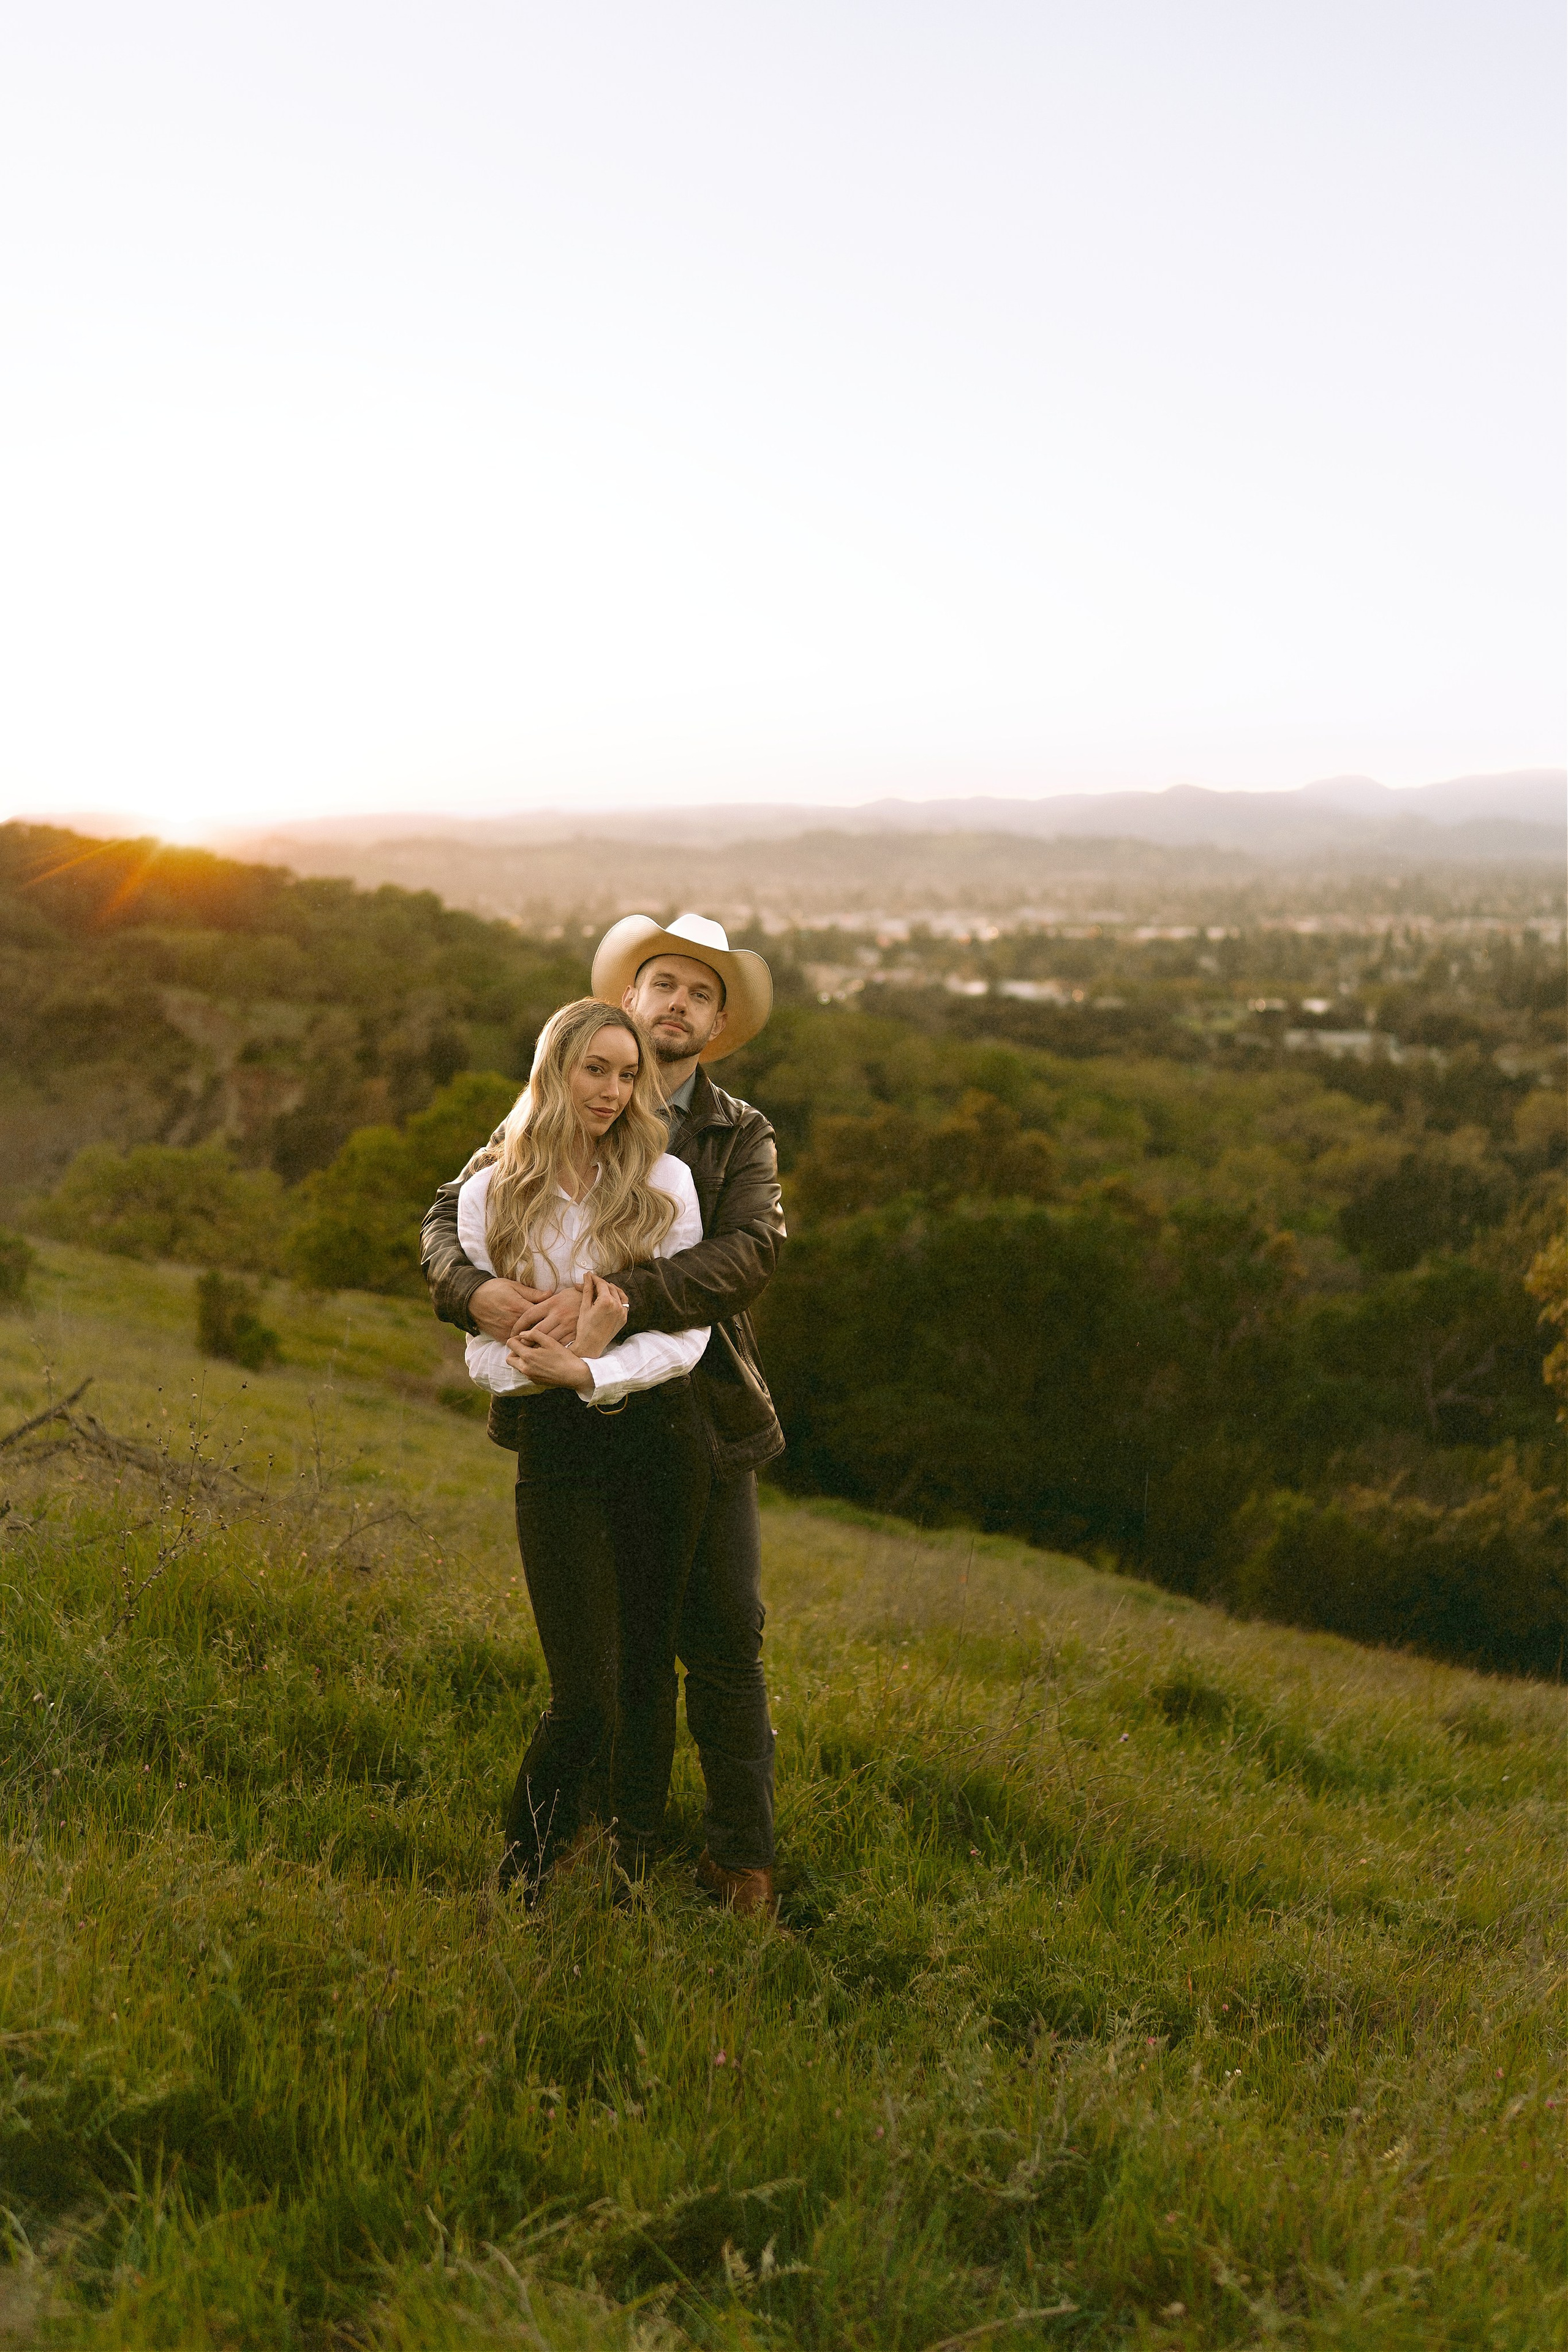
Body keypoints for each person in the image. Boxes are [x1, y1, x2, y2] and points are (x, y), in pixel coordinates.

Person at [421, 912, 785, 1913]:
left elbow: (750, 1255)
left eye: (701, 993)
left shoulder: (729, 1134)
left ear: (715, 1024)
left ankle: (737, 1857)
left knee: (716, 1638)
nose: (679, 1003)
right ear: (625, 1000)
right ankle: (589, 1845)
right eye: (664, 982)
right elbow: (448, 1223)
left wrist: (609, 1307)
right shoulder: (541, 1112)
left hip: (698, 1413)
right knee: (600, 1668)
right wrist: (472, 1293)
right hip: (561, 1423)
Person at [460, 995, 714, 1899]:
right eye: (594, 1069)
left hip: (660, 1445)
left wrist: (593, 1369)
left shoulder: (666, 1183)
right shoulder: (493, 1189)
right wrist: (560, 1369)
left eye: (628, 1074)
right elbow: (483, 1354)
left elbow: (689, 1336)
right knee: (585, 1693)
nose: (612, 1091)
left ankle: (627, 1861)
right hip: (558, 1457)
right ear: (555, 1070)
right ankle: (520, 1875)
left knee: (648, 1675)